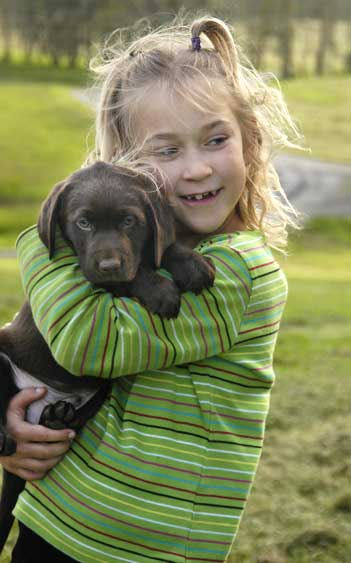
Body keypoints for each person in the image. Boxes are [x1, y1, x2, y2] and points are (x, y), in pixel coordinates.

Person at [1, 14, 301, 563]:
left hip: (140, 543)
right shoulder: (145, 245)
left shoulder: (242, 272)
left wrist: (37, 249)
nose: (194, 169)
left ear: (249, 141)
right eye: (166, 151)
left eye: (215, 139)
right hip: (60, 512)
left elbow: (87, 342)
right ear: (127, 166)